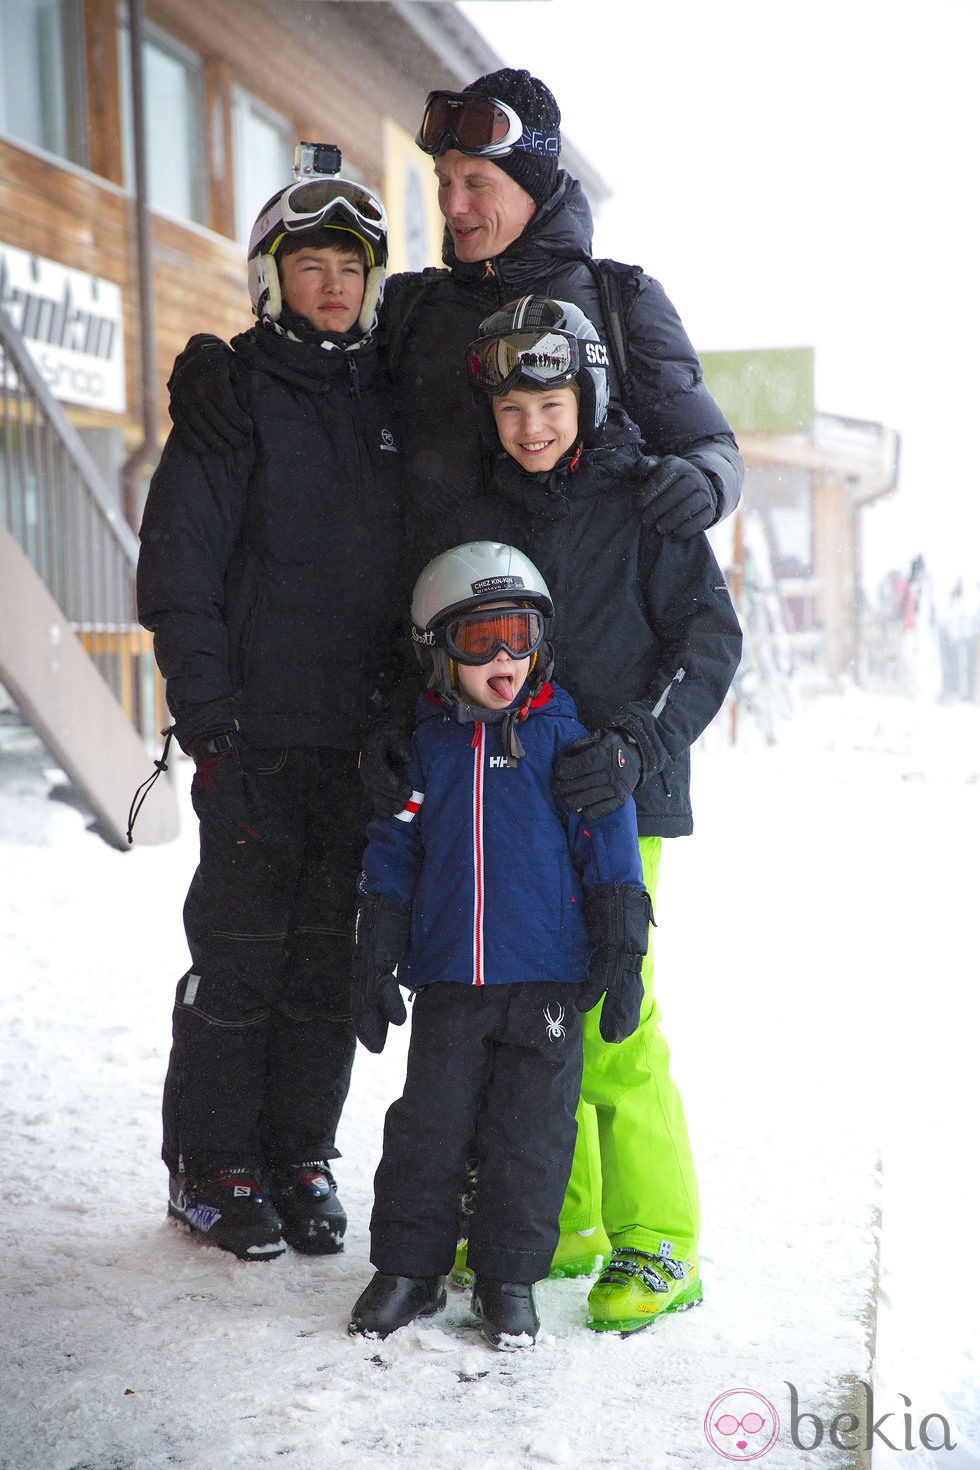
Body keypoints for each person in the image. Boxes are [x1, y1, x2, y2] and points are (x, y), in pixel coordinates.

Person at [457, 296, 743, 1333]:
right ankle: (560, 1220)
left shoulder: (645, 500)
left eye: (549, 403)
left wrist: (633, 745)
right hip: (518, 792)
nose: (530, 427)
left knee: (613, 1012)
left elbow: (707, 645)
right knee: (534, 1005)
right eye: (510, 408)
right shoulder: (485, 506)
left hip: (622, 795)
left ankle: (658, 1240)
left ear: (587, 394)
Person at [136, 165, 405, 1261]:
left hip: (360, 744)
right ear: (271, 278)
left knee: (327, 965)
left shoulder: (394, 396)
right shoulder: (231, 395)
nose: (332, 286)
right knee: (240, 958)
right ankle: (212, 1164)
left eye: (350, 268)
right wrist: (211, 722)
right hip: (252, 737)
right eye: (311, 265)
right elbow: (180, 574)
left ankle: (299, 1152)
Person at [167, 68, 743, 576]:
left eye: (477, 185)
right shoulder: (408, 307)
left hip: (590, 656)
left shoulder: (623, 303)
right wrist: (211, 363)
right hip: (444, 664)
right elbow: (304, 358)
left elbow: (709, 443)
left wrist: (707, 482)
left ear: (532, 190)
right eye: (444, 181)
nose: (452, 206)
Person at [346, 542, 651, 1348]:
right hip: (452, 983)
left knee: (532, 1139)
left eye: (519, 634)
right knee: (427, 1133)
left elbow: (610, 852)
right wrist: (375, 954)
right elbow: (393, 853)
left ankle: (508, 1279)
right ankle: (409, 1271)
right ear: (438, 651)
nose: (505, 657)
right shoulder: (426, 750)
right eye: (481, 640)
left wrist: (622, 957)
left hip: (548, 987)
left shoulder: (568, 743)